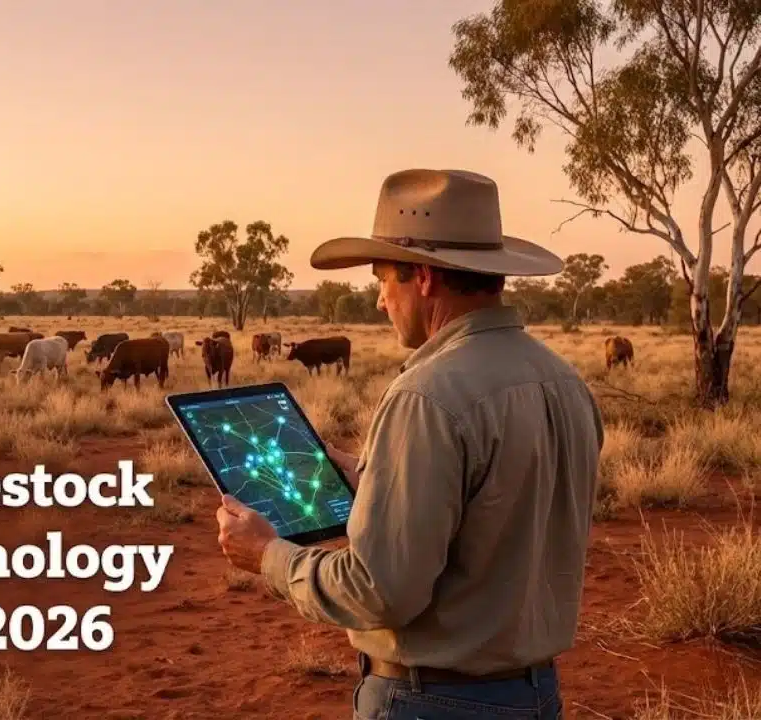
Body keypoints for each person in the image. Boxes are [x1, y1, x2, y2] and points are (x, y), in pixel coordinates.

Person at [215, 168, 604, 719]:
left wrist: (269, 556)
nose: (379, 302)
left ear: (422, 277)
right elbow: (493, 508)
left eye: (382, 280)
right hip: (534, 696)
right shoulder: (564, 380)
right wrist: (374, 474)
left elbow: (379, 592)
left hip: (434, 701)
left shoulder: (427, 395)